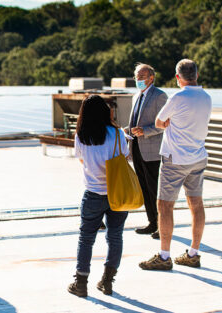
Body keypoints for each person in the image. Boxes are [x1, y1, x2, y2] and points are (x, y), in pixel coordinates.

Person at [139, 59, 212, 270]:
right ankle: (193, 253)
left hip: (175, 159)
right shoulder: (206, 98)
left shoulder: (178, 97)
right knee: (196, 205)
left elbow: (159, 123)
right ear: (196, 75)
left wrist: (168, 122)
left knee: (164, 206)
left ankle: (163, 256)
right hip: (198, 157)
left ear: (177, 77)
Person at [68, 95, 129, 297]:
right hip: (118, 194)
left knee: (86, 239)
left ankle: (81, 283)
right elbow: (124, 157)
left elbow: (82, 160)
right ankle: (107, 281)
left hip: (93, 193)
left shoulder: (81, 137)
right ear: (105, 111)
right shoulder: (119, 134)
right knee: (115, 236)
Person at [125, 64, 168, 239]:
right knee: (144, 188)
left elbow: (165, 124)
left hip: (152, 149)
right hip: (136, 147)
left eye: (142, 76)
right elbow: (136, 120)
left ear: (152, 77)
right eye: (136, 76)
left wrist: (146, 131)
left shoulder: (159, 96)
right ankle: (151, 222)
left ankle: (161, 225)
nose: (138, 80)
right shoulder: (136, 96)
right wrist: (128, 131)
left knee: (154, 188)